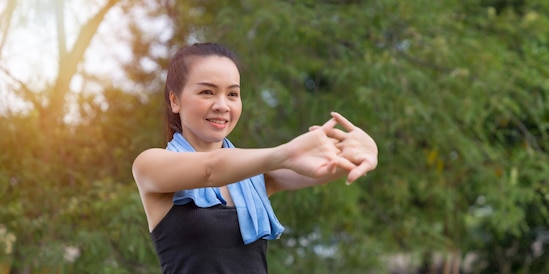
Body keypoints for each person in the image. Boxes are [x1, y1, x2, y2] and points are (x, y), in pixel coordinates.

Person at [131, 42, 378, 274]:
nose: (222, 105)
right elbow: (210, 170)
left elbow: (325, 168)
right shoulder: (150, 164)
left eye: (232, 94)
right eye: (207, 92)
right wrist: (285, 153)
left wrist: (361, 152)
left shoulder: (256, 175)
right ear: (175, 100)